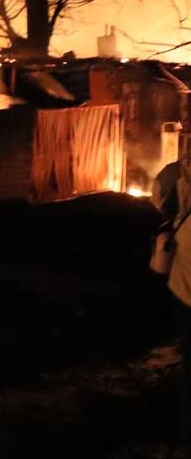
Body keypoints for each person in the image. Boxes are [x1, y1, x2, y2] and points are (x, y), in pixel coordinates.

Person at [155, 158, 191, 454]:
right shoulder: (177, 175)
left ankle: (186, 438)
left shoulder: (176, 175)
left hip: (184, 287)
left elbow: (159, 199)